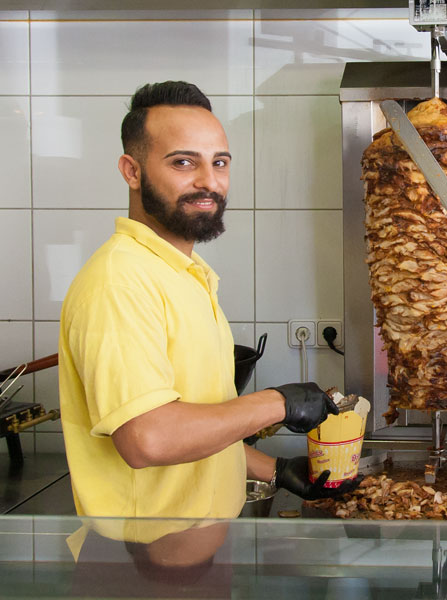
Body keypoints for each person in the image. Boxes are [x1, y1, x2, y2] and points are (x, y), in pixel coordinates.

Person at [58, 81, 357, 521]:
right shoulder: (119, 281)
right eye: (183, 162)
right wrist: (278, 402)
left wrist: (274, 470)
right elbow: (149, 438)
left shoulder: (183, 275)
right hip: (143, 566)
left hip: (195, 555)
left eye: (220, 163)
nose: (209, 182)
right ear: (131, 170)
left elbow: (193, 428)